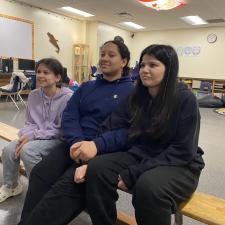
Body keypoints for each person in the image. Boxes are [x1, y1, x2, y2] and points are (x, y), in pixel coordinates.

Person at [82, 44, 205, 225]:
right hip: (144, 153)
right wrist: (93, 150)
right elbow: (112, 125)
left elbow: (182, 150)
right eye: (142, 65)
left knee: (148, 187)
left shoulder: (185, 99)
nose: (145, 70)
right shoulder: (137, 96)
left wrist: (135, 172)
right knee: (97, 168)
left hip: (181, 163)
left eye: (153, 65)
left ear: (169, 69)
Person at [17, 40, 134, 225]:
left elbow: (128, 131)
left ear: (124, 61)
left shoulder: (132, 92)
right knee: (40, 173)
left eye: (111, 55)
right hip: (74, 144)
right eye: (102, 54)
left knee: (66, 186)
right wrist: (76, 141)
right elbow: (70, 115)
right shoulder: (87, 87)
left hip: (103, 151)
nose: (104, 58)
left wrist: (93, 147)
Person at [0, 58, 73, 203]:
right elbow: (29, 123)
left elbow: (62, 130)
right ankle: (12, 186)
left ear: (57, 77)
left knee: (28, 151)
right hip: (35, 137)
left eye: (46, 72)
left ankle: (40, 189)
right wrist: (27, 135)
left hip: (57, 139)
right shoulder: (33, 95)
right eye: (38, 71)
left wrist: (34, 135)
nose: (40, 75)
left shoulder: (67, 98)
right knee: (9, 149)